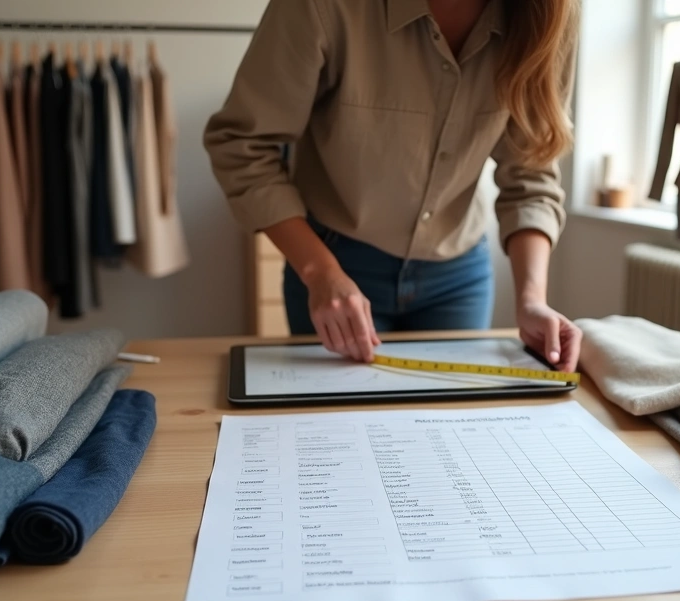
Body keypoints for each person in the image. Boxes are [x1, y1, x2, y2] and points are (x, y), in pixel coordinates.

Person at [204, 0, 583, 371]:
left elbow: (531, 174)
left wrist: (532, 299)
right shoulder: (320, 7)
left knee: (453, 414)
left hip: (458, 277)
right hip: (335, 266)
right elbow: (241, 145)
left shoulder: (549, 18)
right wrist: (319, 272)